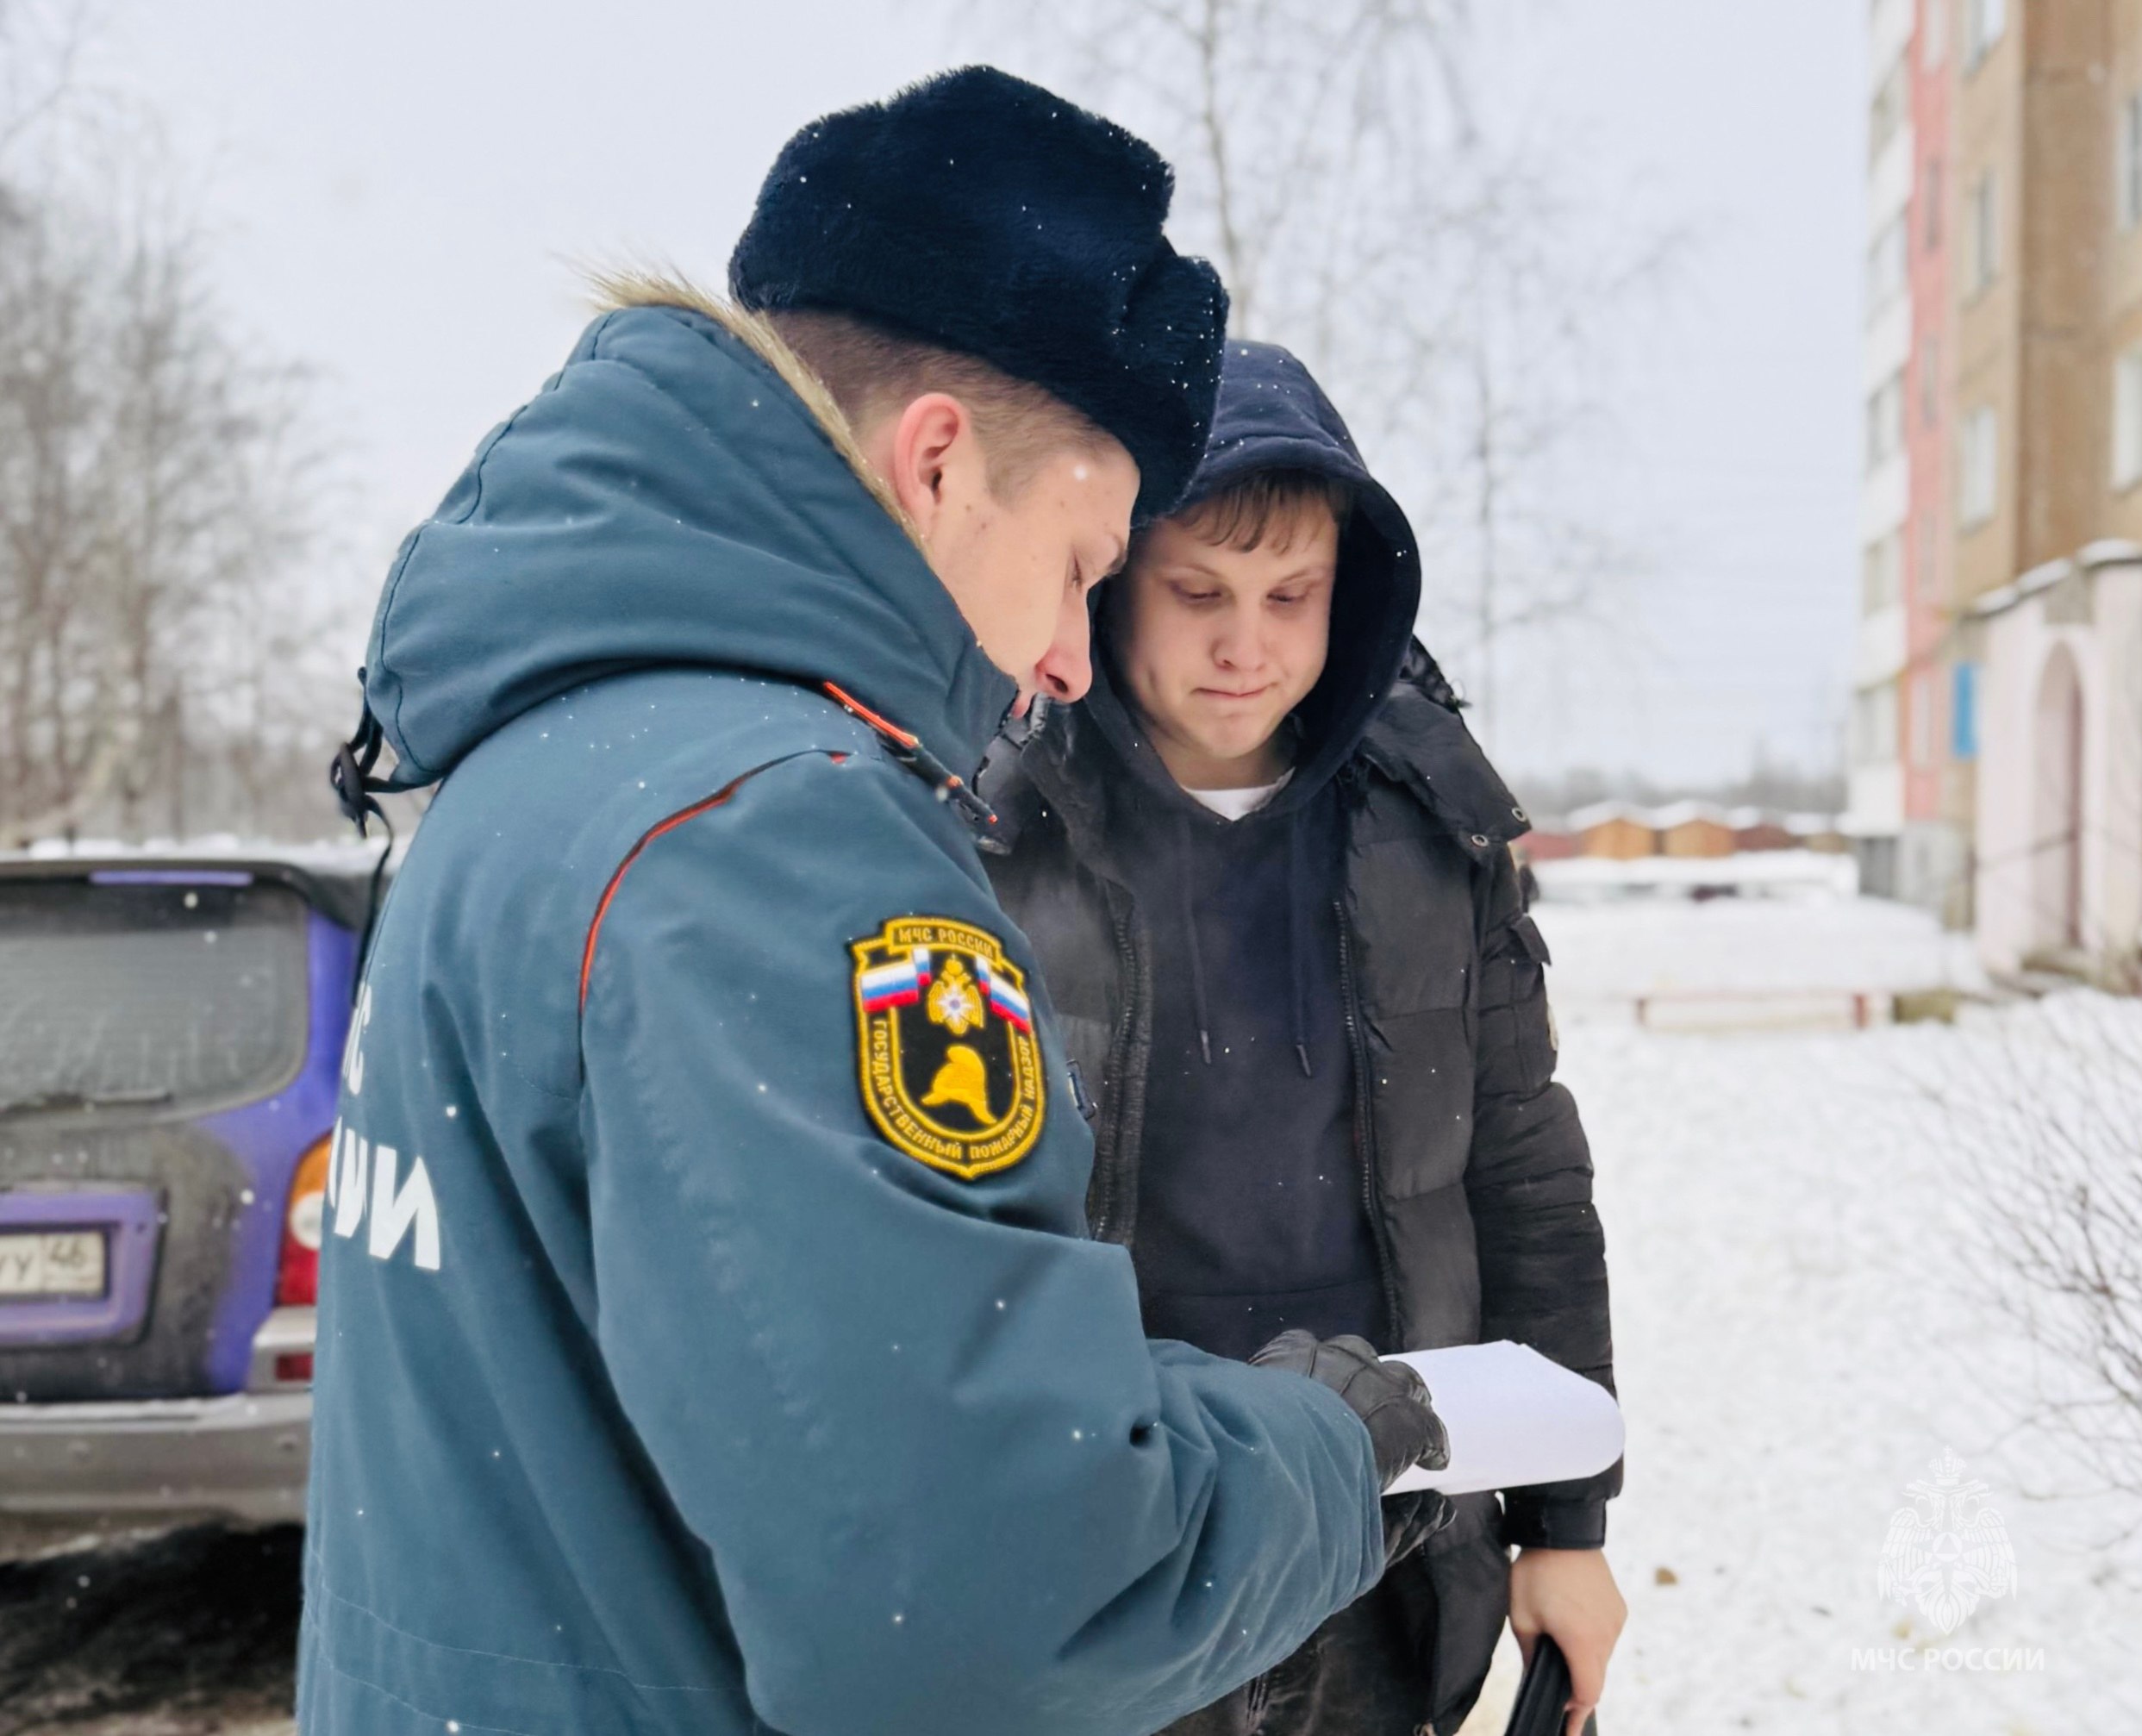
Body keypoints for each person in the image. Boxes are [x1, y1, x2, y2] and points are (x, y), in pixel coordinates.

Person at [301, 70, 1452, 1736]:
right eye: (1082, 563)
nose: (1069, 655)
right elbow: (984, 1614)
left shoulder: (539, 767)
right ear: (937, 464)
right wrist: (1334, 1453)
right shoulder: (780, 842)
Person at [981, 341, 1627, 1736]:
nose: (1246, 645)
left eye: (1292, 595)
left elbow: (1523, 1175)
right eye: (1196, 592)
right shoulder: (989, 829)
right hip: (1111, 1546)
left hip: (1392, 1539)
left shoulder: (1431, 824)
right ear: (1110, 578)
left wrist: (1563, 1522)